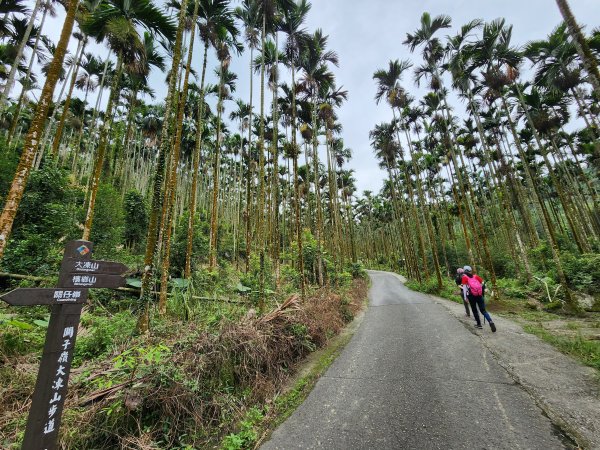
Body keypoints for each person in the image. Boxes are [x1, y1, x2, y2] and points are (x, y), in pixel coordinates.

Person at [461, 265, 496, 332]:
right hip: (479, 295)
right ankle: (490, 321)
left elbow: (465, 289)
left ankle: (479, 324)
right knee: (483, 310)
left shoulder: (464, 278)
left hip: (471, 296)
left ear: (464, 271)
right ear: (470, 270)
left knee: (474, 310)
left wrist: (465, 298)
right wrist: (485, 290)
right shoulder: (476, 276)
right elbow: (483, 284)